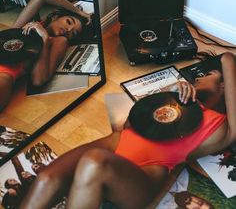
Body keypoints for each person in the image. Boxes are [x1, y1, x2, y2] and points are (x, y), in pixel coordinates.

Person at [19, 52, 236, 209]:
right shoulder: (178, 97)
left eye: (210, 73)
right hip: (114, 143)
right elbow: (130, 124)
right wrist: (167, 91)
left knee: (94, 161)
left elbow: (227, 58)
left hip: (144, 173)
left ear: (226, 84)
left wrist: (224, 61)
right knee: (47, 177)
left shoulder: (218, 125)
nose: (199, 75)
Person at [0, 0, 93, 111]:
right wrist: (79, 12)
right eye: (68, 22)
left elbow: (38, 80)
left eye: (74, 33)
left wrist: (44, 39)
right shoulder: (30, 24)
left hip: (5, 73)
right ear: (55, 16)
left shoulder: (58, 41)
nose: (69, 30)